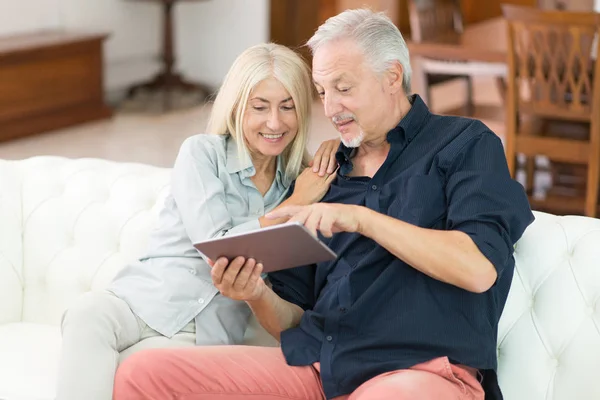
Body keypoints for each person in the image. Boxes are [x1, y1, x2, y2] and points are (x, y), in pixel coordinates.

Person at [112, 9, 534, 400]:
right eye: (320, 91)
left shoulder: (465, 144)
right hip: (318, 367)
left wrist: (362, 219)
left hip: (419, 374)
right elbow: (291, 321)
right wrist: (256, 293)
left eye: (343, 88)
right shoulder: (323, 176)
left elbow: (478, 269)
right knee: (143, 372)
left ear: (392, 77)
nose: (329, 108)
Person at [55, 42, 340, 400]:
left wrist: (336, 148)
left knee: (145, 370)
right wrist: (296, 204)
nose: (274, 122)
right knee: (86, 314)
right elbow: (217, 245)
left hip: (207, 333)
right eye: (260, 107)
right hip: (144, 301)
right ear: (237, 107)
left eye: (288, 107)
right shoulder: (202, 153)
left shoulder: (303, 178)